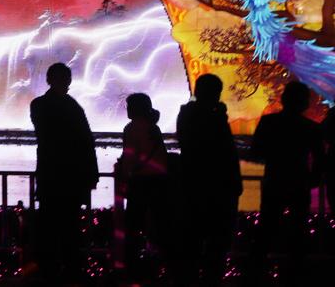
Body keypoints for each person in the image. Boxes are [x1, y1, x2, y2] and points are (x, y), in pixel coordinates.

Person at [29, 62, 98, 282]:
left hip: (56, 175)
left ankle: (55, 269)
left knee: (59, 226)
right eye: (61, 78)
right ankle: (62, 269)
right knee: (63, 226)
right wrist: (91, 173)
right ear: (50, 80)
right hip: (63, 176)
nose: (64, 83)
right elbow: (84, 140)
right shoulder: (64, 106)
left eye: (65, 78)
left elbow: (84, 140)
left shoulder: (44, 105)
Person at [249, 81, 323, 285]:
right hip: (299, 182)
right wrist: (313, 178)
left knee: (266, 229)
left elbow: (256, 152)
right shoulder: (310, 128)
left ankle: (256, 272)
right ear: (305, 103)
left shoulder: (269, 123)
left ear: (283, 99)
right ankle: (295, 274)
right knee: (298, 231)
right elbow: (319, 159)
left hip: (274, 180)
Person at [176, 73, 242, 286]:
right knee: (216, 242)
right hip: (217, 187)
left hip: (193, 185)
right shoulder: (211, 117)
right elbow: (223, 150)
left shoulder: (187, 115)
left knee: (193, 241)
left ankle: (190, 277)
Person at [119, 92, 170, 281]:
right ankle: (163, 264)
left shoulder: (132, 128)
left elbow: (130, 156)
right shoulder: (153, 126)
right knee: (160, 223)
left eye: (129, 106)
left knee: (132, 225)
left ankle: (132, 267)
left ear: (136, 109)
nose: (127, 110)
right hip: (159, 180)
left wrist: (125, 175)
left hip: (141, 181)